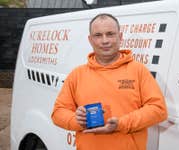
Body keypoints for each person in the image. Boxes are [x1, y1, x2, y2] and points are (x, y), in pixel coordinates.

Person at [51, 13, 167, 150]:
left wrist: (121, 124)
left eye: (110, 34)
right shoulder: (77, 74)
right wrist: (77, 120)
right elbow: (58, 113)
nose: (104, 40)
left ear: (120, 37)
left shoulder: (138, 70)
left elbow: (158, 110)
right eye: (98, 35)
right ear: (90, 40)